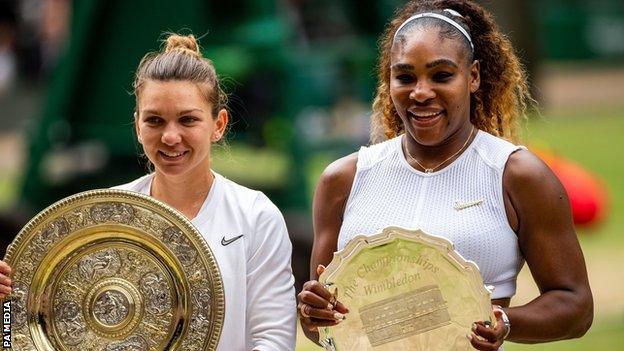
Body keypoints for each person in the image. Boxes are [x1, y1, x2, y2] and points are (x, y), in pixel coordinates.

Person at [297, 1, 593, 350]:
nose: (421, 92)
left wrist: (503, 322)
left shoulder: (515, 174)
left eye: (441, 75)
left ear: (473, 76)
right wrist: (312, 313)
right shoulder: (344, 179)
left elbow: (575, 305)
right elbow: (322, 328)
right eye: (405, 77)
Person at [0, 33, 296, 351]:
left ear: (218, 124)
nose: (170, 136)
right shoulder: (103, 217)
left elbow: (274, 340)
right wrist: (6, 310)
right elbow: (32, 335)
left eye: (187, 120)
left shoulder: (255, 217)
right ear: (138, 126)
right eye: (155, 120)